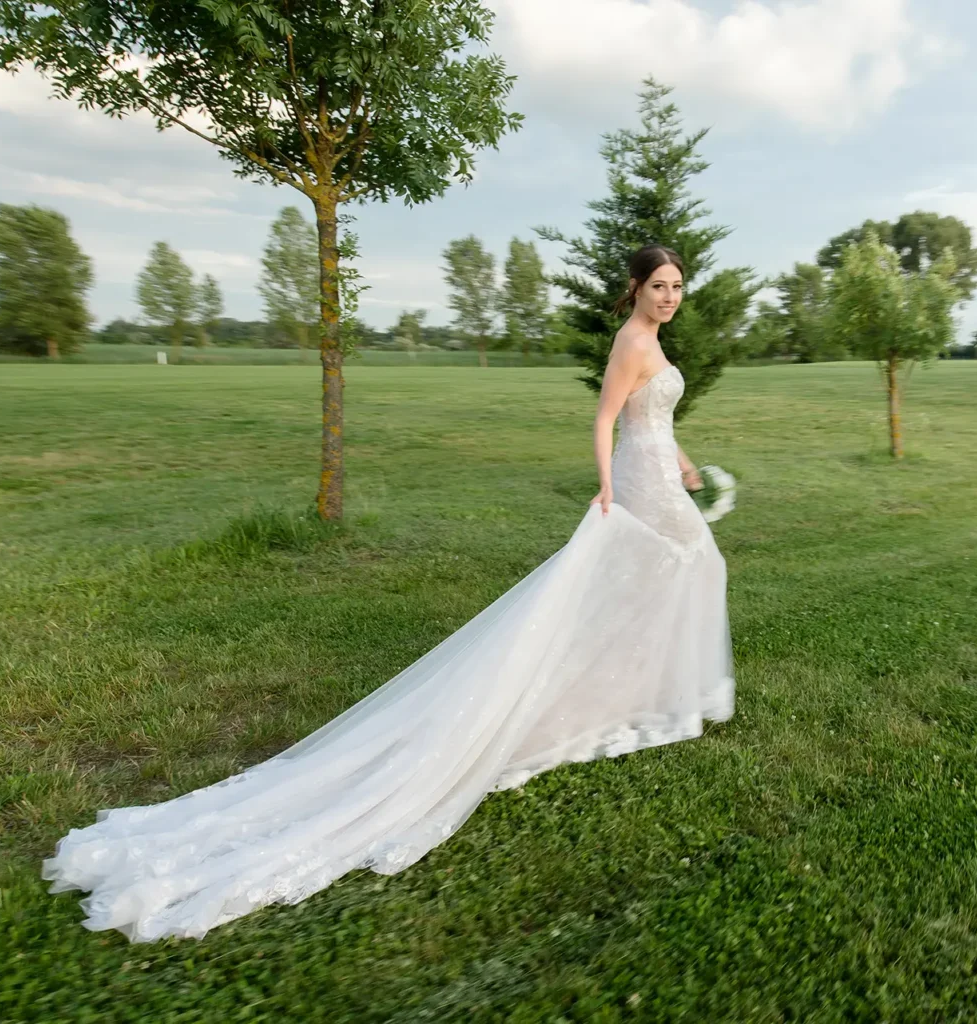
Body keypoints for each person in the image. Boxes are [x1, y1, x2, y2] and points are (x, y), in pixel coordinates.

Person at [43, 244, 734, 941]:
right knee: (696, 566)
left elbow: (654, 419)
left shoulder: (655, 340)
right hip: (638, 484)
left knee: (675, 574)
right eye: (658, 285)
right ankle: (661, 686)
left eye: (677, 286)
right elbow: (606, 418)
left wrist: (680, 460)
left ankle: (642, 684)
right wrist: (610, 486)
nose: (669, 296)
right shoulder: (631, 339)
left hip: (661, 473)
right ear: (636, 289)